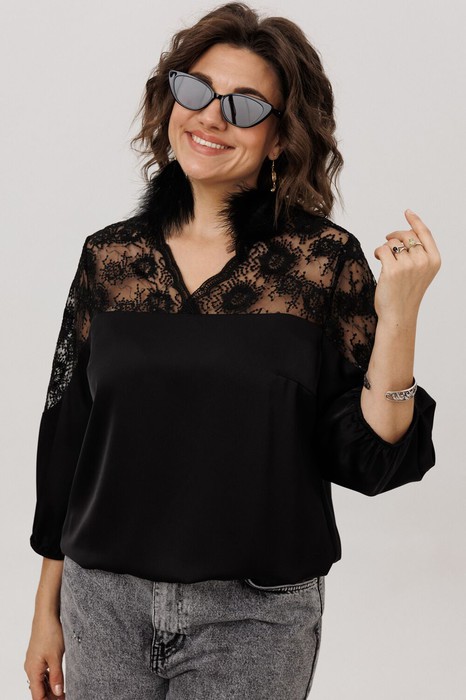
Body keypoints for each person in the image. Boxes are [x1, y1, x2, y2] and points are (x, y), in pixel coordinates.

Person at [23, 3, 441, 699]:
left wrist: (398, 316)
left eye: (244, 106)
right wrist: (47, 608)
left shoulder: (321, 264)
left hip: (254, 617)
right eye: (195, 90)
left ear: (280, 139)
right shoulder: (109, 259)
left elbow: (370, 456)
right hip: (103, 604)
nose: (211, 118)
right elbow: (68, 438)